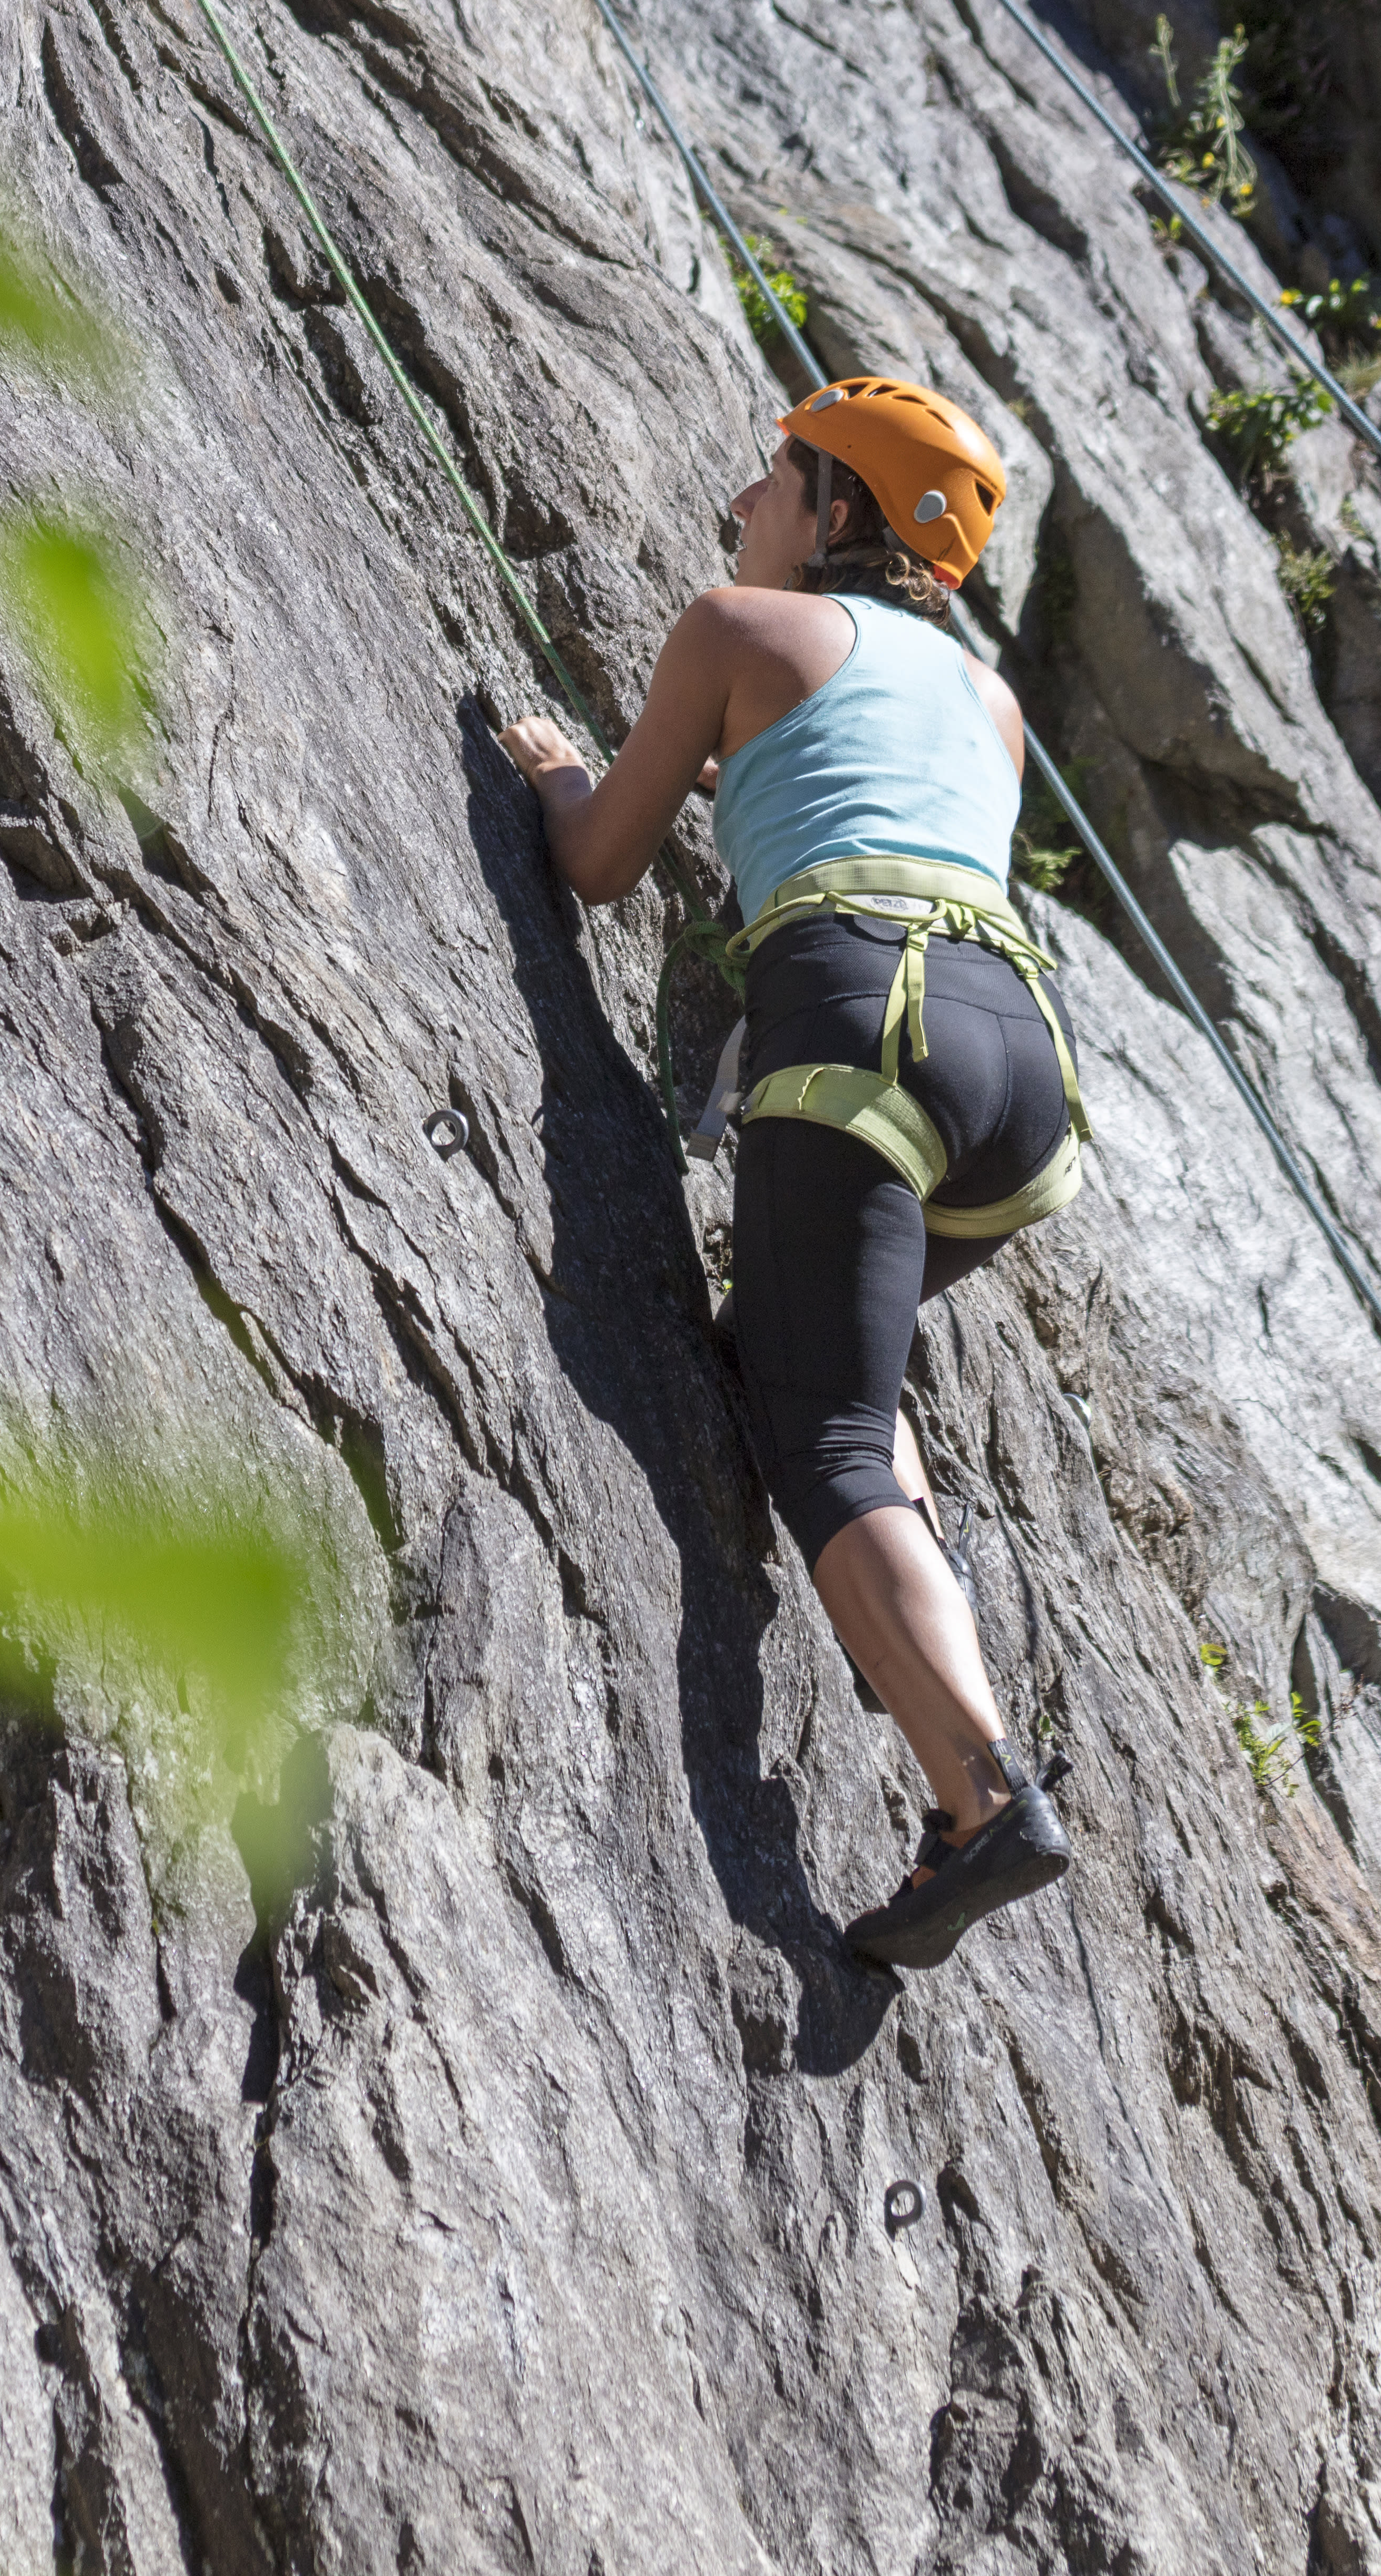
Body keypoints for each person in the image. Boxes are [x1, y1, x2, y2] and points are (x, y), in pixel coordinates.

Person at [495, 376, 1092, 1972]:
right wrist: (727, 779)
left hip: (864, 1022)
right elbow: (860, 796)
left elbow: (597, 864)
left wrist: (563, 769)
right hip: (1016, 1072)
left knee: (819, 1433)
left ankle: (981, 1796)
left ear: (838, 516)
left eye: (778, 477)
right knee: (820, 1377)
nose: (743, 501)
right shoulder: (991, 706)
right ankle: (949, 1710)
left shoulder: (736, 629)